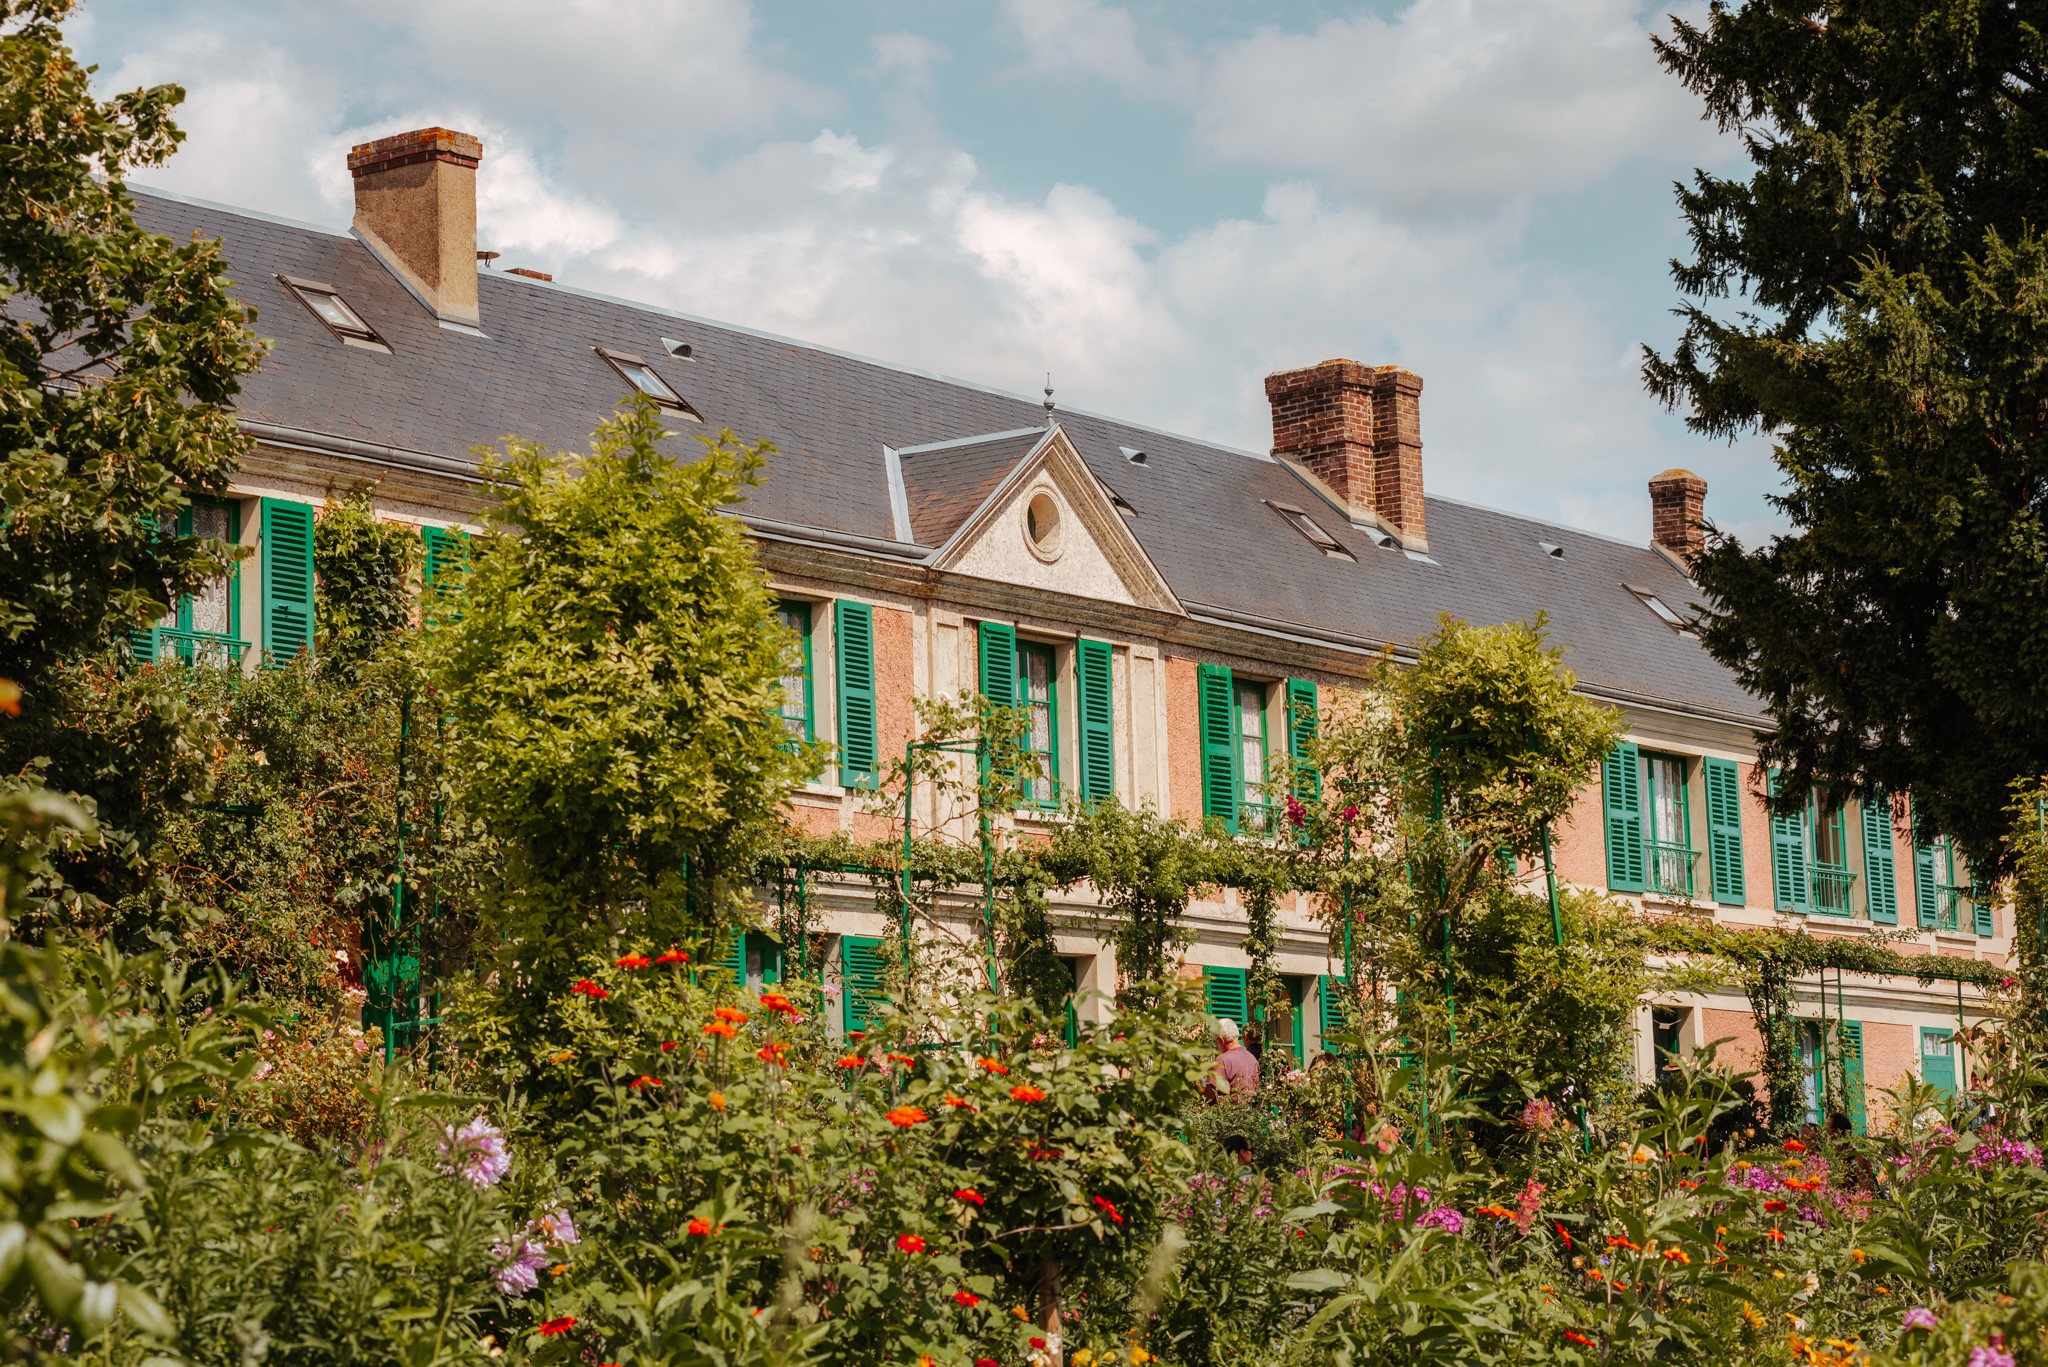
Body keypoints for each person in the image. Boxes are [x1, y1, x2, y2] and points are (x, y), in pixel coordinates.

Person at [1211, 1016, 1260, 1098]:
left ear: (1220, 1040)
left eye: (1215, 1041)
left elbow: (1210, 1094)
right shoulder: (1252, 1058)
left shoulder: (1222, 1060)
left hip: (1230, 1106)